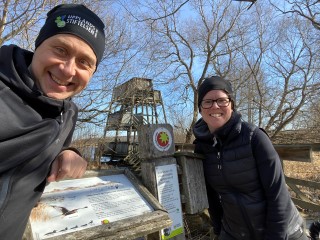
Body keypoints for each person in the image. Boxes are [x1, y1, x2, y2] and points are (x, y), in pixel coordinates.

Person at [0, 3, 105, 239]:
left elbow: (54, 142)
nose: (68, 71)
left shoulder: (66, 113)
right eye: (60, 50)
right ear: (38, 46)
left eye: (84, 62)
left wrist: (69, 152)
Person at [193, 76, 308, 240]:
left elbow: (278, 195)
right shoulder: (202, 146)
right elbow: (210, 195)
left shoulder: (254, 138)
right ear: (200, 108)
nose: (215, 106)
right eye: (208, 101)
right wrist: (218, 229)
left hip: (282, 231)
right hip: (234, 232)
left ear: (232, 104)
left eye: (222, 100)